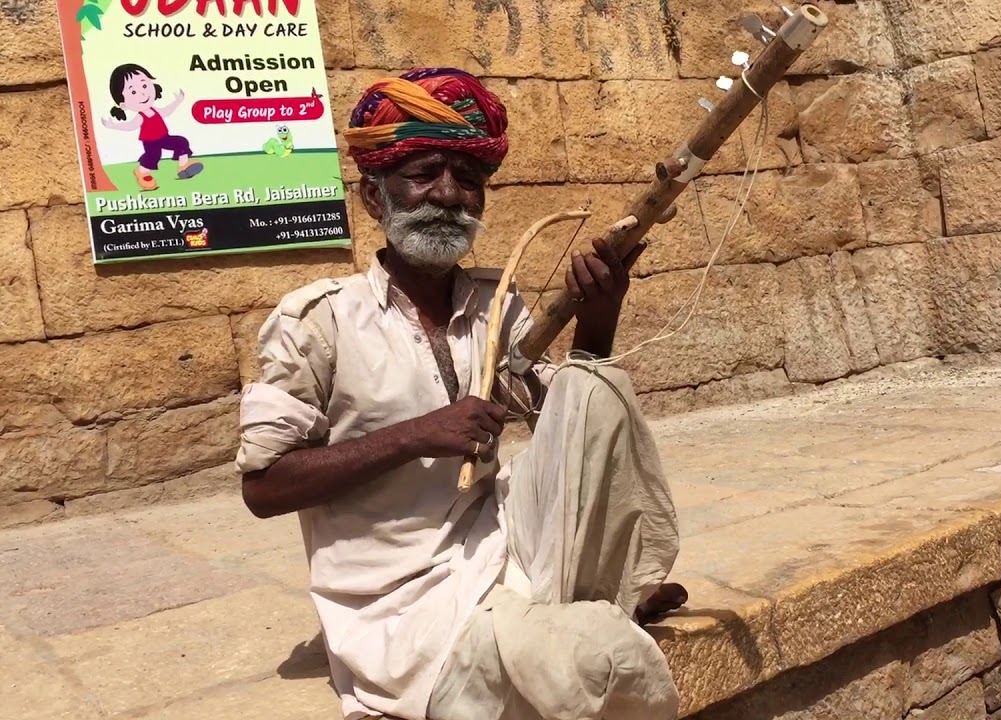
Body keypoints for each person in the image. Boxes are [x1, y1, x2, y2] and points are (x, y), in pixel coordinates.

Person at [234, 67, 687, 720]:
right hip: (399, 600)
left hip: (498, 548)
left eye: (468, 179)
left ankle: (601, 591)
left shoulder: (496, 305)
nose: (448, 194)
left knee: (603, 409)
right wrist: (415, 435)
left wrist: (599, 319)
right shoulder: (317, 320)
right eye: (424, 174)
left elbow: (568, 424)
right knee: (591, 661)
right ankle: (595, 606)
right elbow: (263, 488)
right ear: (373, 196)